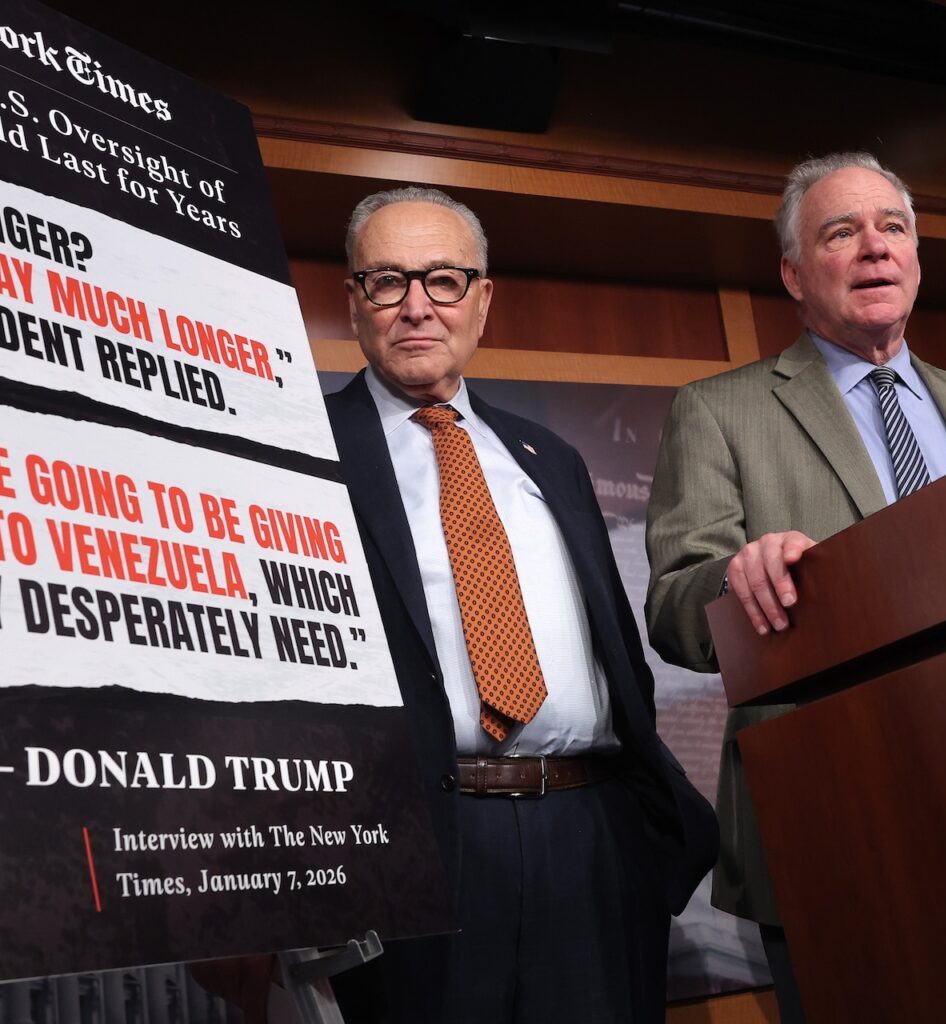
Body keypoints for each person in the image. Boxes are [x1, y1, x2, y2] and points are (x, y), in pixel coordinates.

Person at [643, 153, 946, 1020]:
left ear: (917, 257)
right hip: (832, 810)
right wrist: (734, 577)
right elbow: (672, 607)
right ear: (793, 272)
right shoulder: (721, 408)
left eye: (892, 228)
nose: (874, 249)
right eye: (841, 232)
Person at [324, 186, 715, 1024]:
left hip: (594, 834)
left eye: (445, 280)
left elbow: (617, 654)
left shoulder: (554, 459)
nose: (417, 307)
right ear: (354, 301)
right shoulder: (301, 454)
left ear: (484, 299)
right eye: (387, 281)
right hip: (424, 845)